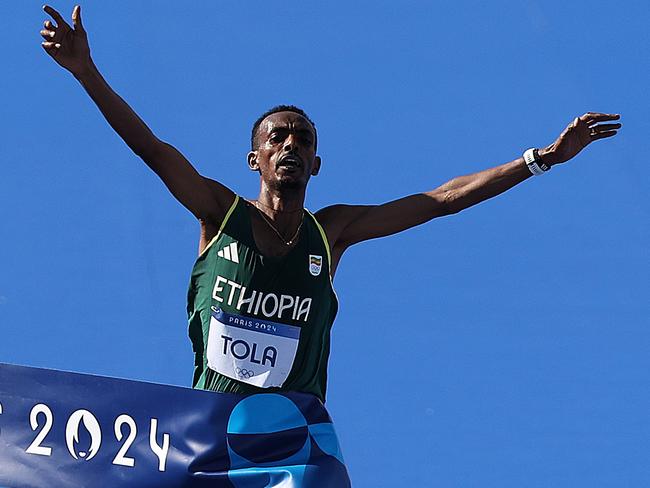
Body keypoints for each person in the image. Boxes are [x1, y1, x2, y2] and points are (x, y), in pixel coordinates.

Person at [40, 5, 621, 403]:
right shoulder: (220, 214)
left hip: (296, 440)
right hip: (209, 430)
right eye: (277, 137)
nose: (290, 144)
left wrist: (540, 158)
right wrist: (85, 71)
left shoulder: (332, 232)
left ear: (316, 163)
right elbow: (151, 149)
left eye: (303, 139)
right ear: (256, 161)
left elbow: (440, 199)